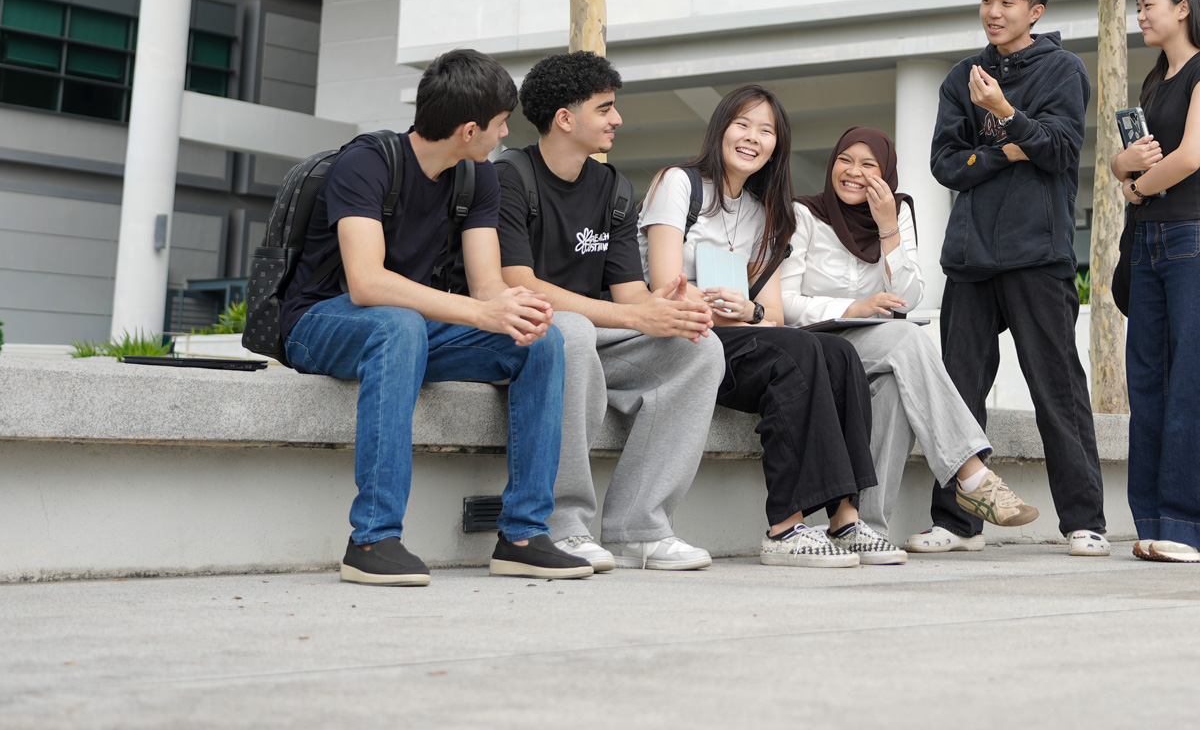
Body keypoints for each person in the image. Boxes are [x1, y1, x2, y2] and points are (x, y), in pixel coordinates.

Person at [280, 48, 591, 586]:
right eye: (499, 126)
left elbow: (486, 283)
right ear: (469, 129)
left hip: (409, 329)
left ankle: (522, 534)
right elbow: (366, 281)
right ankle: (372, 539)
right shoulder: (368, 162)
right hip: (322, 323)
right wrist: (479, 310)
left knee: (539, 340)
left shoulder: (479, 180)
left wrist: (512, 309)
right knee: (396, 322)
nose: (503, 137)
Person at [638, 85, 904, 568]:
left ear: (777, 146)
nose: (752, 138)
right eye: (742, 124)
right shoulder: (679, 184)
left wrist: (749, 312)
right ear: (720, 128)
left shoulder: (765, 214)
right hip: (683, 337)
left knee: (838, 354)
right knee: (795, 354)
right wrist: (731, 311)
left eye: (766, 131)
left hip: (735, 335)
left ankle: (845, 518)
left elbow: (774, 315)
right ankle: (785, 525)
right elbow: (664, 286)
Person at [494, 51, 726, 573]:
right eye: (605, 109)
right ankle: (563, 525)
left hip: (594, 335)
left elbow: (628, 295)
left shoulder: (613, 188)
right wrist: (635, 317)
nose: (617, 119)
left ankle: (639, 529)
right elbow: (519, 283)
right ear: (565, 119)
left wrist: (669, 309)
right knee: (571, 332)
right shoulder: (508, 177)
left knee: (700, 349)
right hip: (525, 334)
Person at [922, 0, 1110, 557]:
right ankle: (956, 524)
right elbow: (946, 165)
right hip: (971, 259)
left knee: (1057, 390)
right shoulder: (961, 77)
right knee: (958, 391)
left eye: (1007, 1)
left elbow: (1058, 151)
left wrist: (1003, 115)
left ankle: (1086, 521)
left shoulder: (1063, 71)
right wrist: (1008, 149)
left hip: (1039, 255)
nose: (994, 12)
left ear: (1036, 10)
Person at [781, 127, 1040, 541]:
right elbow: (786, 304)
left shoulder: (896, 212)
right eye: (845, 160)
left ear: (885, 174)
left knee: (898, 388)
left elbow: (906, 298)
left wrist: (887, 229)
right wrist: (853, 308)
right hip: (814, 345)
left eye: (869, 165)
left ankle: (863, 527)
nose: (853, 172)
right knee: (908, 341)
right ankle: (972, 474)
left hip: (871, 349)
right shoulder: (804, 215)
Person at [1110, 0, 1200, 563]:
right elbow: (1128, 162)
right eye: (1139, 6)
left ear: (1184, 7)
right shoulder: (1154, 82)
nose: (1141, 14)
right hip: (1151, 243)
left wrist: (1136, 188)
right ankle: (1159, 522)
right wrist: (1123, 167)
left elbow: (1190, 157)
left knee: (1197, 383)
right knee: (1151, 385)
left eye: (1149, 4)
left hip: (1193, 238)